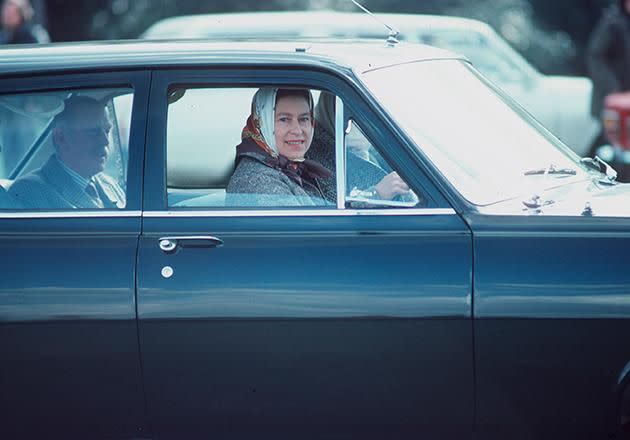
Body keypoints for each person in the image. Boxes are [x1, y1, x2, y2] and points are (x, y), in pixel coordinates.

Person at [9, 95, 125, 209]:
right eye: (93, 132)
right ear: (61, 138)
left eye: (107, 131)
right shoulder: (30, 192)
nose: (105, 141)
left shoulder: (110, 184)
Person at [226, 88, 331, 206]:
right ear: (263, 123)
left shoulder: (292, 166)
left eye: (304, 119)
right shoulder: (257, 182)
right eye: (284, 119)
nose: (297, 130)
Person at [306, 92, 412, 205]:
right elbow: (337, 214)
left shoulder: (381, 152)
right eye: (354, 118)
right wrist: (376, 194)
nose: (364, 125)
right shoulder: (322, 164)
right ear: (335, 114)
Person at [586, 0, 630, 119]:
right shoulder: (612, 23)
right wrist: (613, 88)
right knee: (610, 135)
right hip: (610, 101)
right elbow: (595, 57)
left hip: (625, 103)